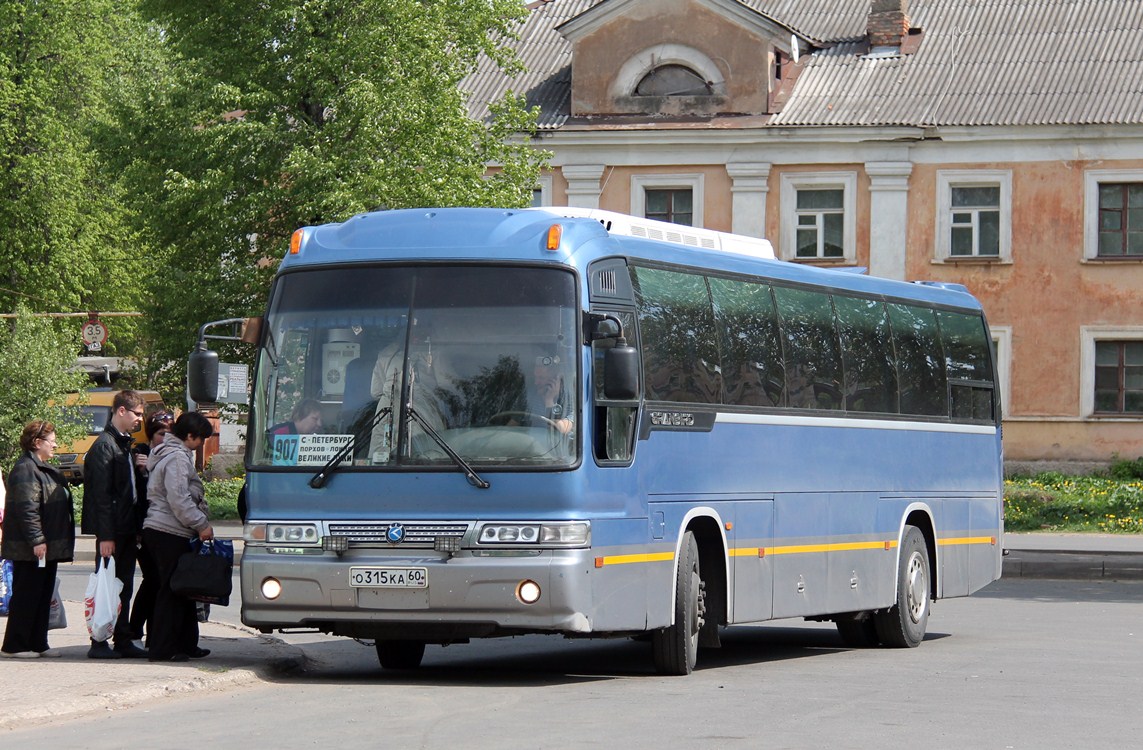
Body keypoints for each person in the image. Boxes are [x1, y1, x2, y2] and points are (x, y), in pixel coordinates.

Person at [81, 389, 149, 659]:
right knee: (106, 587)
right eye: (137, 414)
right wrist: (105, 536)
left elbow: (126, 491)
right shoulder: (104, 446)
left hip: (126, 529)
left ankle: (122, 639)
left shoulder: (122, 443)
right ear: (122, 411)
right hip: (113, 532)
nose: (139, 420)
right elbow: (101, 496)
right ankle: (98, 641)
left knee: (123, 587)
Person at [142, 411, 215, 663]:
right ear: (190, 436)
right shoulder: (176, 459)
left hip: (166, 530)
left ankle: (185, 643)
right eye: (201, 440)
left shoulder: (172, 454)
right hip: (168, 530)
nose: (202, 445)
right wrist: (201, 523)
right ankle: (163, 648)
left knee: (182, 590)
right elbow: (178, 498)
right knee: (171, 592)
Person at [1, 421, 75, 658]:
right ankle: (16, 645)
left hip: (46, 545)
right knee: (27, 595)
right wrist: (37, 540)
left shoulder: (41, 467)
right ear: (37, 443)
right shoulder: (25, 469)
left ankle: (38, 642)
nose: (55, 443)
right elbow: (26, 509)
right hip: (30, 548)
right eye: (51, 439)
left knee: (42, 595)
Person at [128, 410, 174, 644]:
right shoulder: (141, 453)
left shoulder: (173, 455)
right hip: (145, 527)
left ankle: (153, 634)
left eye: (168, 433)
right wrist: (143, 471)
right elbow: (138, 495)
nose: (164, 439)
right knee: (152, 579)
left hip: (166, 525)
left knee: (159, 580)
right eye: (159, 433)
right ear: (150, 435)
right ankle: (135, 630)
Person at [530, 353, 574, 435]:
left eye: (541, 378)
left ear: (556, 380)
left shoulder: (570, 401)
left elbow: (561, 429)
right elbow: (513, 424)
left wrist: (549, 400)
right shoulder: (531, 396)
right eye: (535, 377)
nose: (536, 382)